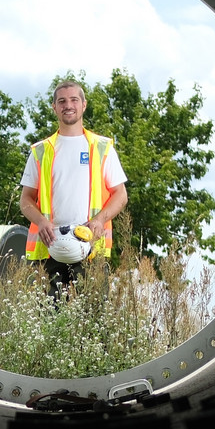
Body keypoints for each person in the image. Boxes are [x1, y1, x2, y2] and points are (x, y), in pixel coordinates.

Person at [19, 80, 128, 293]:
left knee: (93, 319)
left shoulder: (102, 147)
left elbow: (121, 195)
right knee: (48, 318)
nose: (68, 105)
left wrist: (100, 220)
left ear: (84, 105)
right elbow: (26, 199)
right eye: (62, 101)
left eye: (73, 100)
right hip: (49, 250)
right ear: (54, 107)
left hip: (90, 248)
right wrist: (41, 222)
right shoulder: (40, 151)